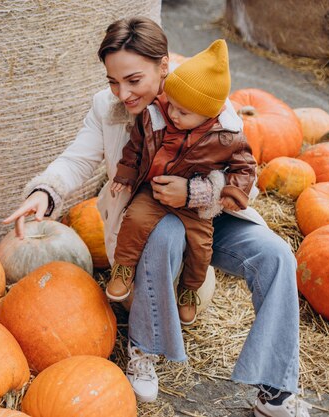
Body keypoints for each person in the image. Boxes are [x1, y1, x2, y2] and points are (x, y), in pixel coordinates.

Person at [3, 16, 311, 417]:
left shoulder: (204, 93)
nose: (122, 92)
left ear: (163, 66)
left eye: (133, 80)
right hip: (147, 221)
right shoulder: (108, 108)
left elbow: (246, 180)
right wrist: (45, 193)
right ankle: (143, 347)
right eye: (113, 81)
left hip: (212, 217)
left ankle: (276, 390)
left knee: (277, 256)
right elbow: (77, 159)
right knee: (164, 232)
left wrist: (198, 192)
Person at [106, 39, 256, 328]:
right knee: (134, 220)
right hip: (155, 190)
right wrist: (124, 175)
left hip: (195, 204)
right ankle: (123, 269)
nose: (173, 114)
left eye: (183, 112)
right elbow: (135, 149)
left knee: (201, 247)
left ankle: (189, 290)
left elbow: (246, 167)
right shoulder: (156, 115)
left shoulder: (227, 136)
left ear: (209, 114)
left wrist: (231, 192)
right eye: (171, 105)